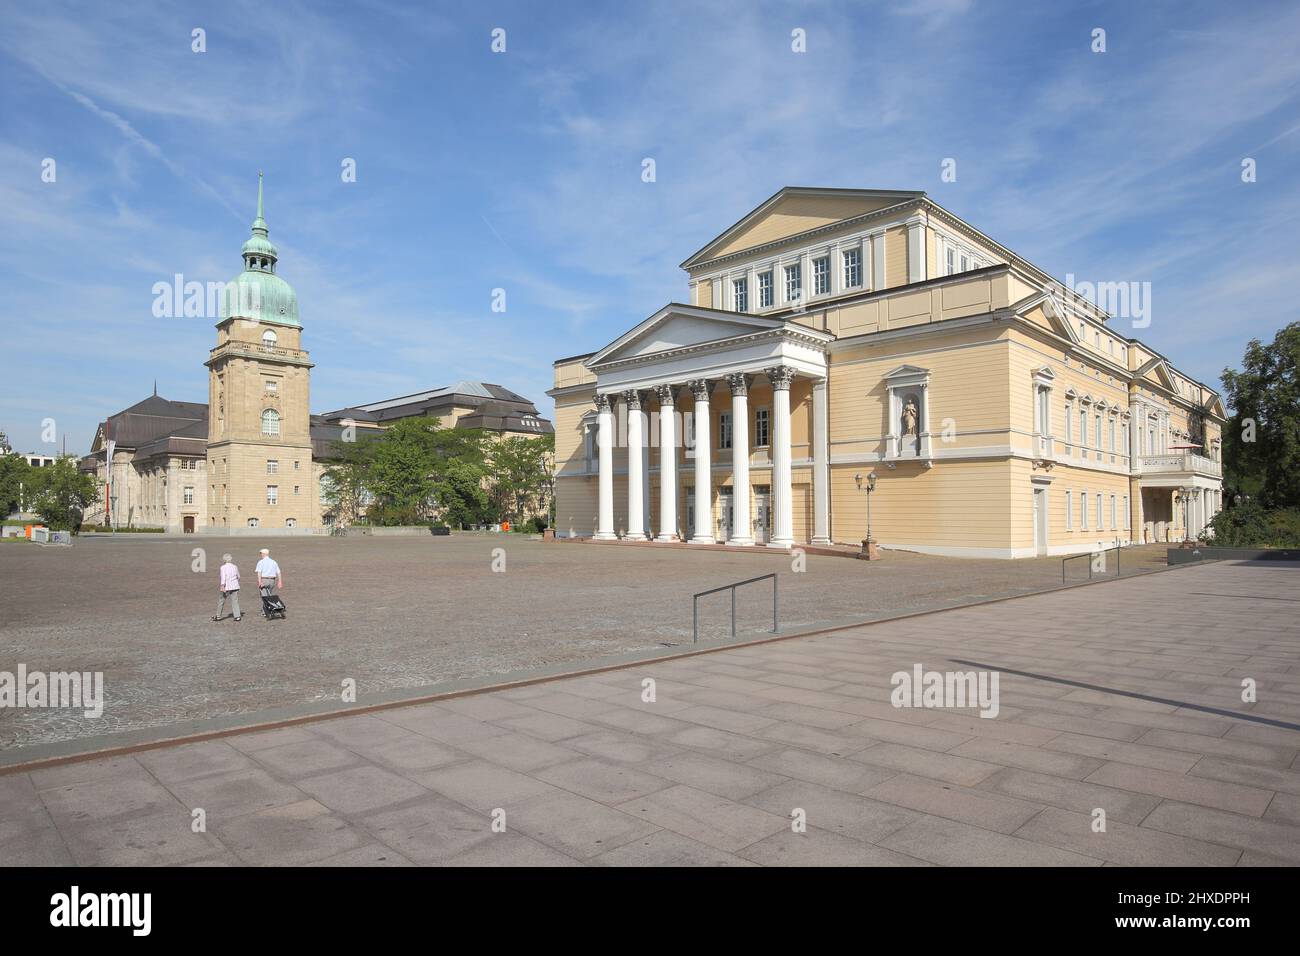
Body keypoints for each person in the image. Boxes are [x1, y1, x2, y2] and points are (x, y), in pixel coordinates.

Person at [214, 553, 242, 622]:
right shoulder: (235, 566)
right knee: (235, 601)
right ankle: (237, 616)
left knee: (221, 600)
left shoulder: (223, 567)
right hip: (235, 586)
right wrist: (236, 581)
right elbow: (238, 576)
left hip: (227, 586)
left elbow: (223, 577)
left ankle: (218, 616)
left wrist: (222, 586)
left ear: (224, 560)